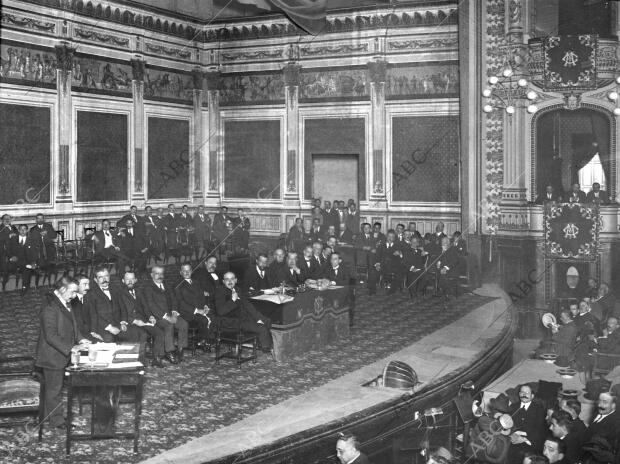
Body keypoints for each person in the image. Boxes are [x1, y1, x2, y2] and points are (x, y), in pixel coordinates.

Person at [35, 278, 91, 429]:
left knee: (55, 388)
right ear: (62, 290)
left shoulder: (64, 302)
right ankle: (56, 421)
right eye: (72, 291)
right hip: (51, 356)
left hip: (61, 353)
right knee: (54, 390)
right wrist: (71, 348)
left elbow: (73, 325)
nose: (74, 295)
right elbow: (50, 336)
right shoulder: (50, 307)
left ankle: (51, 414)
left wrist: (81, 339)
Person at [116, 271, 166, 367]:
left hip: (143, 320)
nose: (130, 281)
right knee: (142, 334)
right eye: (127, 279)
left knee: (159, 332)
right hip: (129, 321)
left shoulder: (139, 291)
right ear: (123, 281)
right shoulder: (119, 294)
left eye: (132, 279)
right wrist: (134, 321)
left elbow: (145, 307)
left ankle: (156, 358)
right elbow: (121, 311)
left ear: (135, 280)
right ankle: (140, 359)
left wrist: (150, 316)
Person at [140, 265, 188, 363]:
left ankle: (180, 350)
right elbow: (151, 306)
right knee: (169, 325)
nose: (160, 276)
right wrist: (167, 317)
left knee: (184, 324)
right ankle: (169, 351)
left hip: (171, 314)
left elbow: (174, 300)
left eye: (161, 273)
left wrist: (174, 313)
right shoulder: (148, 288)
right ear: (151, 275)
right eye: (157, 273)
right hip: (157, 317)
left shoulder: (167, 285)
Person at [215, 272, 272, 352]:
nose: (230, 281)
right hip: (231, 322)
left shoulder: (237, 289)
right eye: (227, 279)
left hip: (244, 318)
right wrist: (233, 300)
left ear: (236, 280)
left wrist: (258, 318)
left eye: (232, 279)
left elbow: (248, 306)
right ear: (223, 281)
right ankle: (266, 350)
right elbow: (220, 311)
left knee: (267, 321)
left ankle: (262, 344)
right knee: (262, 328)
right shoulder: (220, 291)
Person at [507, 384, 547, 464]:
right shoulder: (513, 407)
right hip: (512, 439)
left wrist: (523, 438)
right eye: (522, 392)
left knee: (521, 455)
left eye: (527, 393)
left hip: (530, 442)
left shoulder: (539, 409)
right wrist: (511, 435)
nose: (524, 394)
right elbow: (508, 424)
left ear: (532, 396)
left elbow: (540, 429)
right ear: (519, 394)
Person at [176, 263, 212, 349]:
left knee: (214, 316)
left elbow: (202, 297)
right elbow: (181, 303)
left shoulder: (196, 282)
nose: (187, 272)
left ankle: (204, 340)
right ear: (180, 272)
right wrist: (197, 310)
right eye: (184, 271)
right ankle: (204, 341)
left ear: (191, 271)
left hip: (199, 310)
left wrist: (205, 306)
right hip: (186, 313)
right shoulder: (178, 285)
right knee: (203, 320)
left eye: (188, 270)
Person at [4, 224, 39, 294]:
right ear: (18, 230)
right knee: (7, 266)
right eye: (21, 229)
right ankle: (4, 285)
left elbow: (34, 253)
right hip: (15, 261)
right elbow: (8, 250)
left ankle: (24, 287)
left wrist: (33, 262)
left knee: (27, 269)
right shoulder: (13, 239)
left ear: (27, 230)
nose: (23, 231)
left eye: (24, 229)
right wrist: (11, 256)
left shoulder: (31, 241)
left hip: (26, 261)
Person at [369, 229, 404, 295]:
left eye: (392, 237)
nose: (390, 238)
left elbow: (402, 258)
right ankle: (372, 290)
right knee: (372, 271)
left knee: (400, 273)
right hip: (382, 266)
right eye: (389, 236)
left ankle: (392, 290)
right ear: (386, 237)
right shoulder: (381, 246)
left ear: (394, 238)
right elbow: (377, 257)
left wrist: (400, 253)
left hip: (393, 267)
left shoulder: (398, 246)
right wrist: (377, 264)